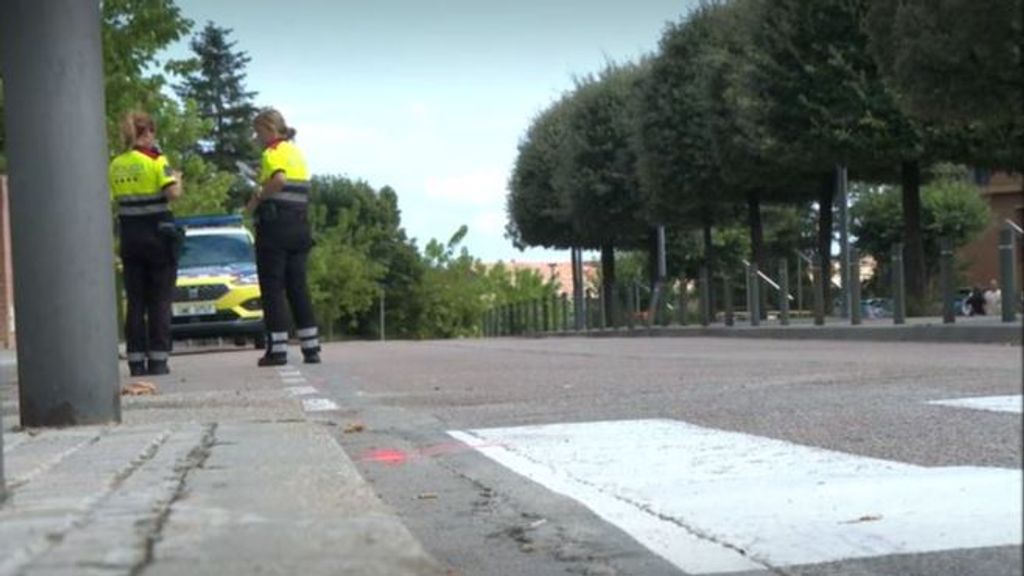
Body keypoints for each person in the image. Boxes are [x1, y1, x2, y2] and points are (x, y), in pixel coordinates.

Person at [109, 112, 182, 376]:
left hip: (130, 239)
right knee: (160, 301)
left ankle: (136, 360)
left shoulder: (116, 164)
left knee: (136, 302)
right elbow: (172, 193)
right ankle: (159, 360)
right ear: (147, 133)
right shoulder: (156, 160)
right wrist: (177, 177)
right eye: (153, 132)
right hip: (158, 238)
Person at [247, 108, 320, 366]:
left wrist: (258, 197)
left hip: (276, 228)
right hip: (300, 225)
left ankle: (277, 349)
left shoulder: (273, 153)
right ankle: (311, 347)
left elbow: (277, 180)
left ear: (269, 129)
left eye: (258, 132)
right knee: (298, 286)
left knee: (273, 289)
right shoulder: (296, 152)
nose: (257, 138)